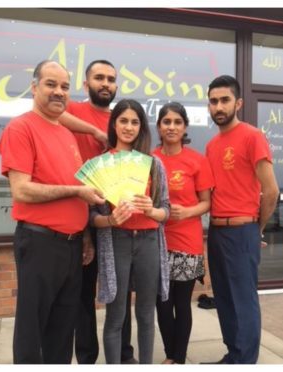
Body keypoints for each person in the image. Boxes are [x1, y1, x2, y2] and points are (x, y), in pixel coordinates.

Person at [0, 60, 105, 363]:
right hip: (40, 243)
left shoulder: (65, 133)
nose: (59, 92)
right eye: (51, 84)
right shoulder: (21, 128)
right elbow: (22, 190)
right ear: (34, 87)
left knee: (62, 327)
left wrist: (85, 235)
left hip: (71, 246)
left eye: (64, 87)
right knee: (33, 329)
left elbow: (75, 189)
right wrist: (76, 192)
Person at [60, 59, 137, 364]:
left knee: (120, 293)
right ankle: (88, 358)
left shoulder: (121, 116)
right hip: (81, 211)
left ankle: (124, 354)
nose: (106, 83)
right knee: (83, 295)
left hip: (119, 217)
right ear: (86, 83)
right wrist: (96, 130)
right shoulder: (75, 110)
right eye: (99, 78)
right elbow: (53, 114)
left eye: (111, 79)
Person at [203, 75, 279, 364]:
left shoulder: (251, 136)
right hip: (217, 231)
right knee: (223, 297)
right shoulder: (211, 145)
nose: (219, 106)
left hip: (242, 229)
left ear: (238, 103)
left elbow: (271, 191)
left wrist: (255, 228)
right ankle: (233, 355)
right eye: (213, 101)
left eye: (224, 100)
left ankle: (245, 361)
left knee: (243, 300)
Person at [89, 99, 170, 364]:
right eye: (123, 120)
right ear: (113, 124)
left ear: (141, 127)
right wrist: (111, 219)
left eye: (135, 121)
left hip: (148, 242)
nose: (129, 127)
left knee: (147, 315)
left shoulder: (153, 164)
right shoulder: (100, 163)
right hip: (117, 241)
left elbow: (165, 212)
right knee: (116, 316)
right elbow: (91, 218)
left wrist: (151, 210)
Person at [153, 102, 215, 364]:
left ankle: (177, 357)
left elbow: (207, 202)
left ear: (184, 127)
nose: (171, 127)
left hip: (187, 243)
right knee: (162, 304)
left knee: (181, 303)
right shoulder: (149, 159)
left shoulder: (196, 160)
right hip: (156, 243)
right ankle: (170, 354)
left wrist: (187, 212)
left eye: (177, 122)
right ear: (159, 126)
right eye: (166, 122)